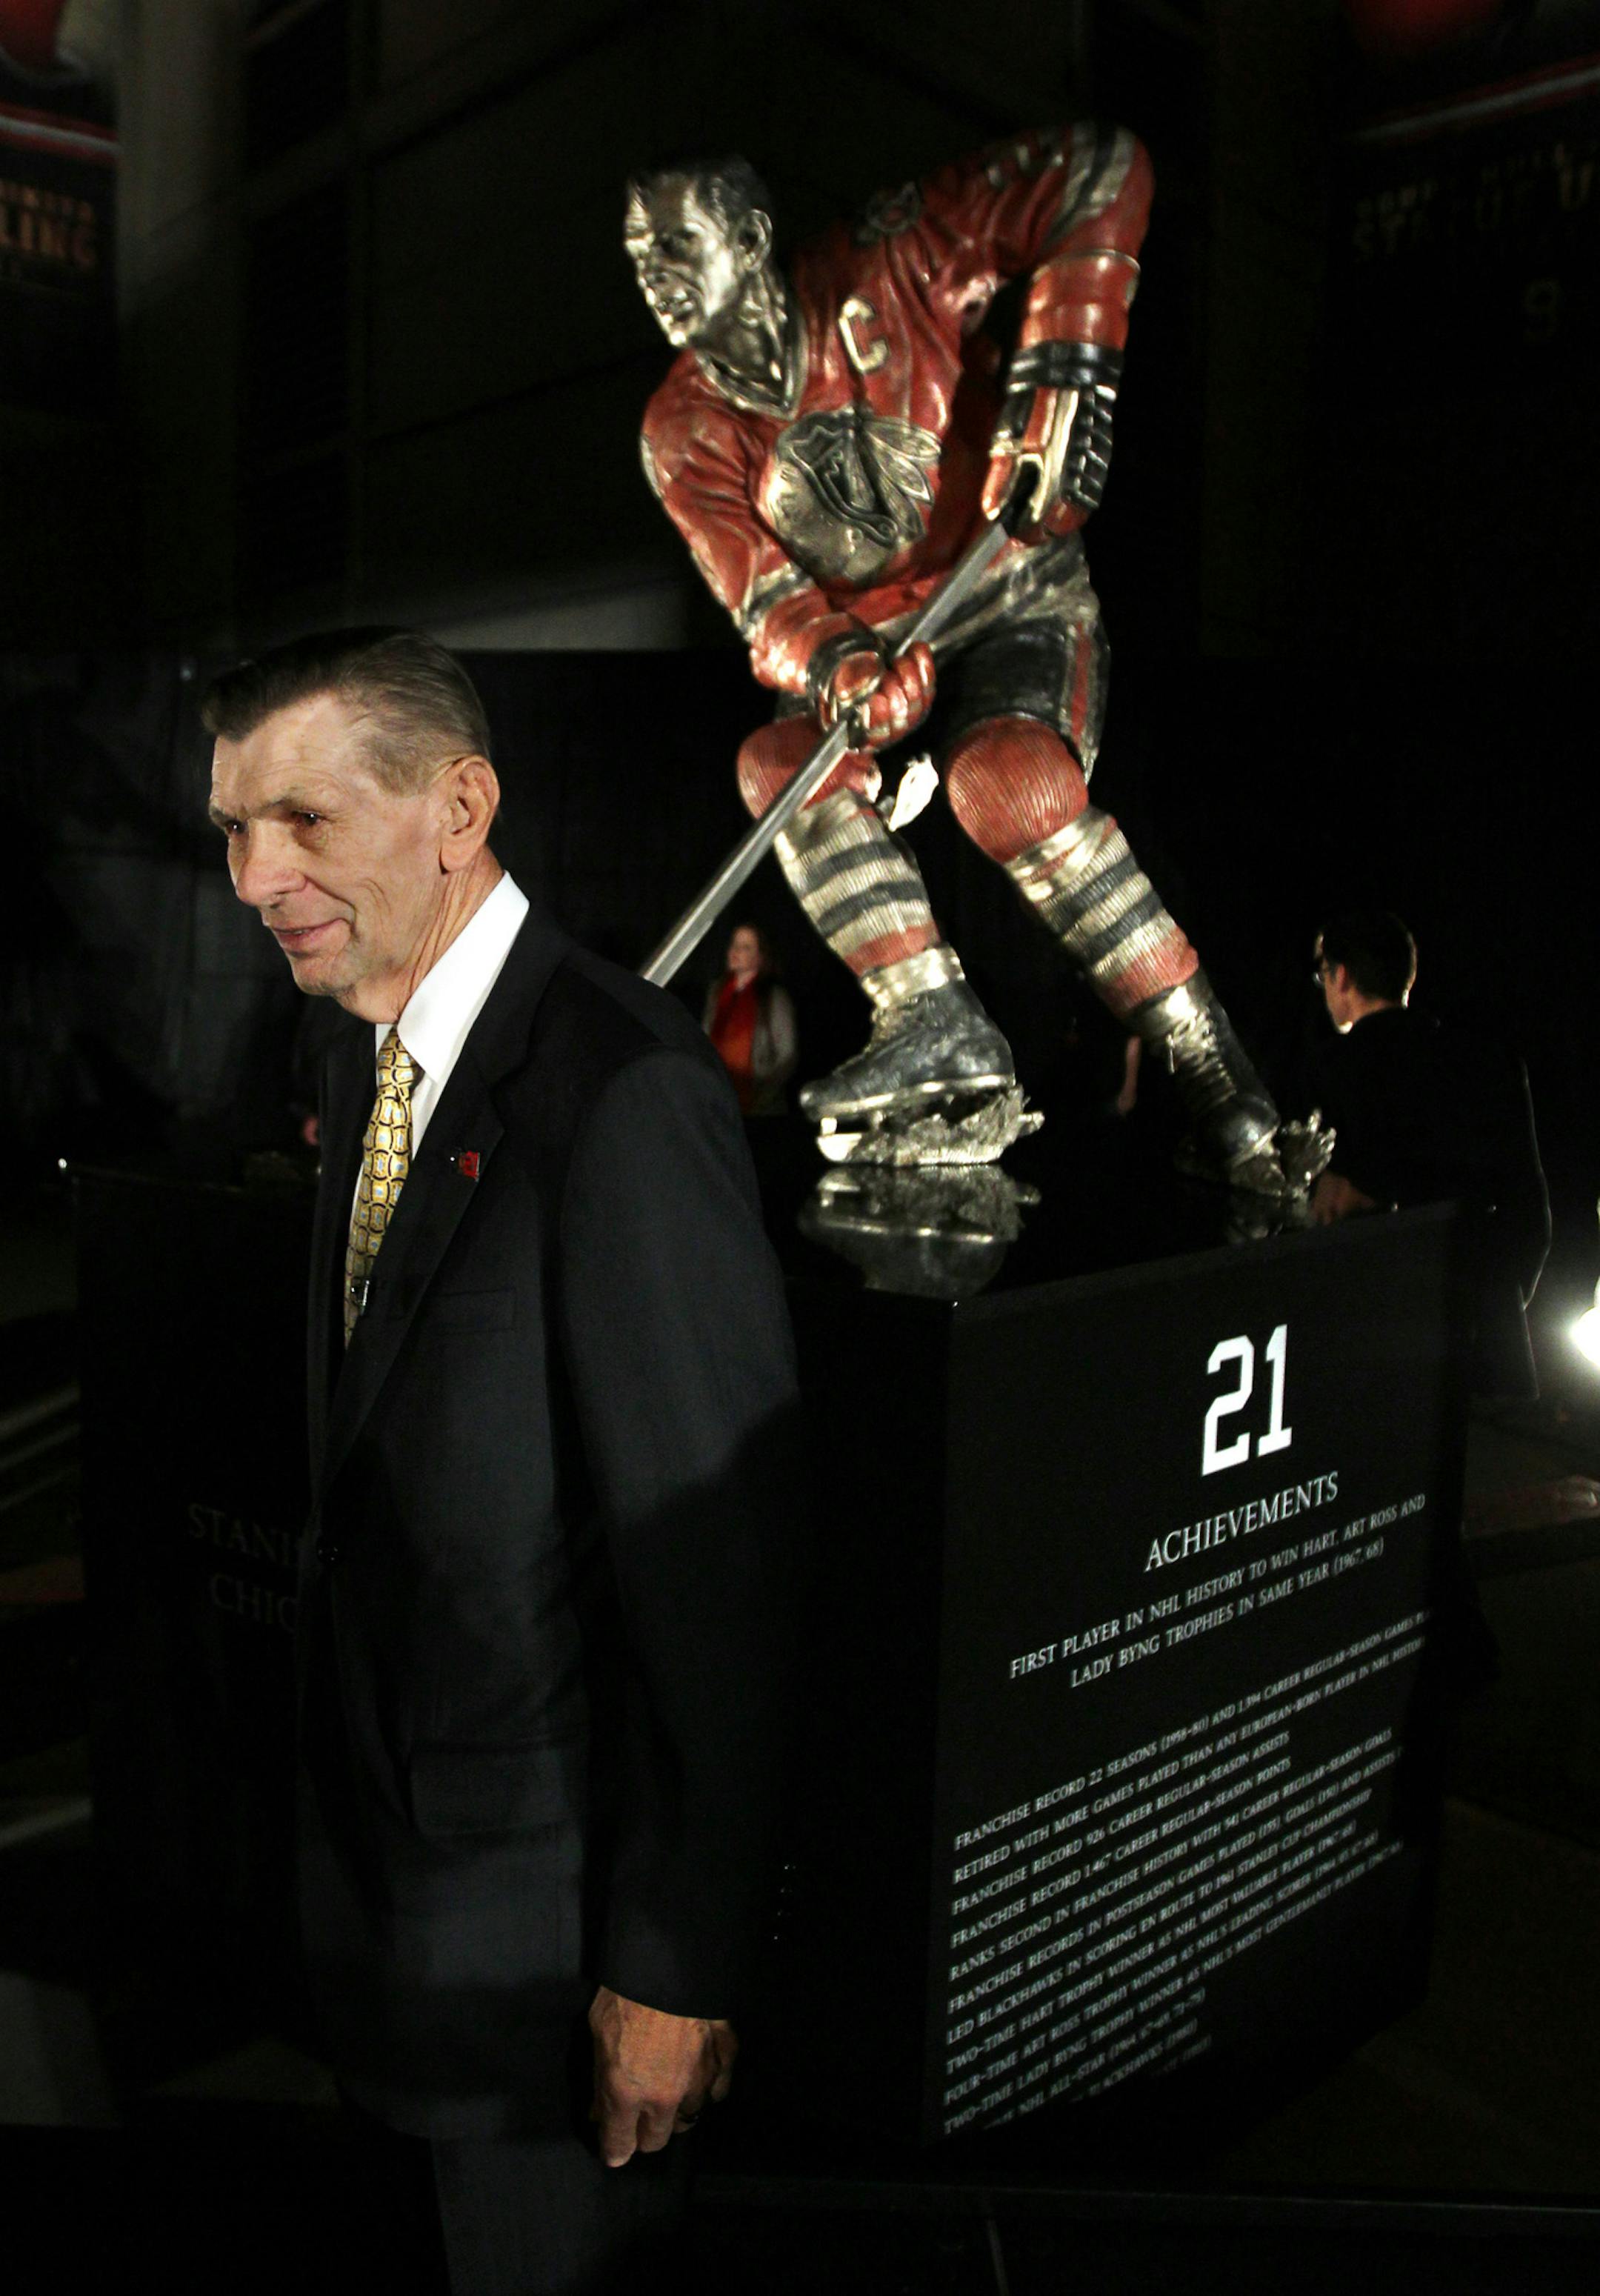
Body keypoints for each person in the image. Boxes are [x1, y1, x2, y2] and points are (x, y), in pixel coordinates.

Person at [202, 630, 803, 2295]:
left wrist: (672, 1973)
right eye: (233, 829)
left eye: (304, 822)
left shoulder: (624, 1100)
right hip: (387, 1945)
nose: (255, 877)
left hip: (554, 2002)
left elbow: (714, 1579)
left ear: (459, 806)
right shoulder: (365, 1049)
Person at [626, 133, 1315, 1191]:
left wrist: (1067, 356)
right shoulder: (682, 426)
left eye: (676, 243)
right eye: (640, 255)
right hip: (877, 650)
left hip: (1013, 593)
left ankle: (1226, 1088)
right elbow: (761, 595)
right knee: (779, 761)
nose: (655, 274)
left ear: (753, 238)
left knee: (1011, 784)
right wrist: (833, 656)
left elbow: (1100, 167)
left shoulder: (895, 255)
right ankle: (933, 1020)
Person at [1307, 908, 1548, 1391]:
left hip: (1382, 1346)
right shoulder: (1488, 1062)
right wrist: (1497, 1298)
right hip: (1490, 1334)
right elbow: (1532, 1211)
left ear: (1342, 976)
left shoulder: (1335, 1070)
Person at [702, 922, 797, 1114]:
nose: (736, 951)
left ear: (760, 957)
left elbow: (787, 1054)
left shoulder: (773, 997)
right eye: (734, 945)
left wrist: (764, 1093)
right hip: (717, 1099)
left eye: (745, 947)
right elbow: (704, 1039)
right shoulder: (717, 993)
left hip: (758, 1104)